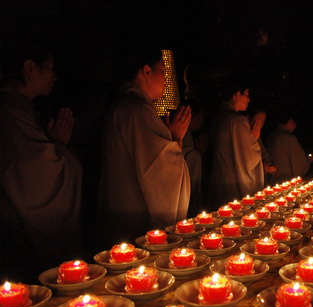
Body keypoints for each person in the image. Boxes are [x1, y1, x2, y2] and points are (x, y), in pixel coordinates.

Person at [0, 44, 82, 279]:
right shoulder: (10, 111)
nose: (54, 76)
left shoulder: (21, 107)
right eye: (49, 68)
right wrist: (58, 145)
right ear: (29, 68)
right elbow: (37, 173)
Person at [98, 48, 191, 245]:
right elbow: (163, 173)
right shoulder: (137, 110)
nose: (167, 78)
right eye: (163, 71)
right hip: (135, 220)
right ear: (147, 72)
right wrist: (175, 139)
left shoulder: (129, 106)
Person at [209, 80, 263, 207]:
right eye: (247, 95)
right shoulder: (237, 121)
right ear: (237, 94)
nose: (249, 100)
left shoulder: (218, 117)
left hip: (218, 180)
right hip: (232, 185)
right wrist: (254, 140)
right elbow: (248, 157)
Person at [267, 114, 312, 181]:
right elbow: (299, 164)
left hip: (272, 179)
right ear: (290, 122)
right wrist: (308, 160)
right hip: (286, 180)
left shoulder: (270, 137)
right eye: (295, 124)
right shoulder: (289, 139)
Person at [248, 109, 277, 184]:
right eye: (258, 119)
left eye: (263, 121)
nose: (260, 123)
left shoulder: (258, 136)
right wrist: (263, 168)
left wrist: (270, 166)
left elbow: (264, 154)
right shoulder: (244, 135)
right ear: (248, 118)